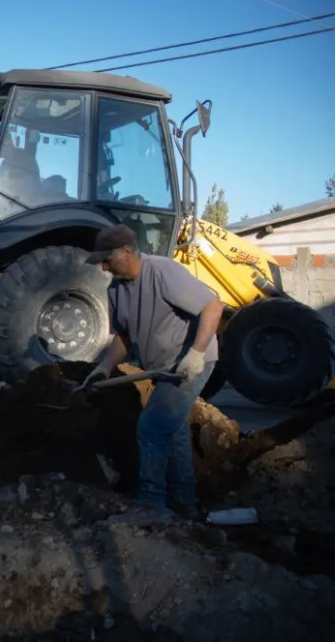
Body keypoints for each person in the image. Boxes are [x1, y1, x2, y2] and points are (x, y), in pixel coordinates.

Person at [83, 224, 224, 525]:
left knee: (151, 426)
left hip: (189, 365)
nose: (104, 266)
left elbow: (213, 305)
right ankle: (184, 505)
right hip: (163, 368)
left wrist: (196, 354)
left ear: (127, 252)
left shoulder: (162, 271)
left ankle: (150, 504)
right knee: (172, 432)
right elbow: (122, 337)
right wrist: (102, 368)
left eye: (107, 259)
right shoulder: (116, 290)